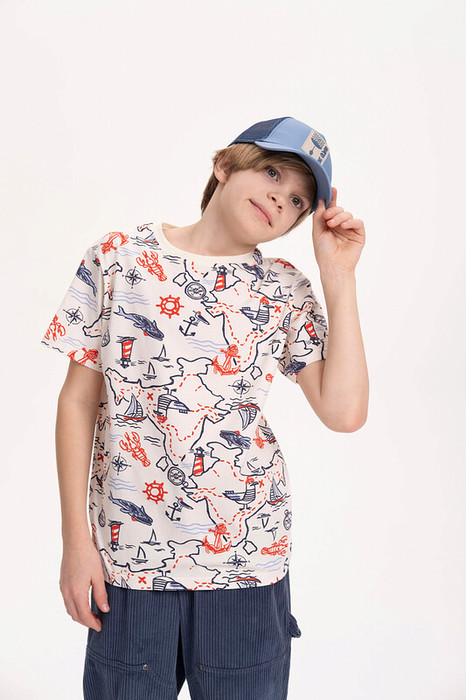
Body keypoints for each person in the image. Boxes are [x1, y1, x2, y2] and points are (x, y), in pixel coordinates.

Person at [41, 116, 368, 699]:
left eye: (299, 200)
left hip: (247, 558)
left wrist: (337, 275)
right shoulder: (120, 258)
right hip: (130, 559)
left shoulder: (284, 288)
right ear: (224, 165)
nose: (281, 198)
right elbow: (77, 400)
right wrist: (75, 542)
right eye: (272, 173)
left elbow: (344, 412)